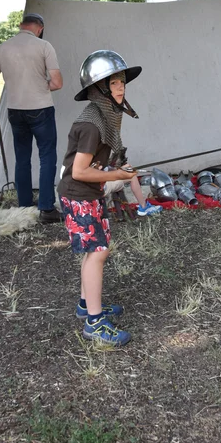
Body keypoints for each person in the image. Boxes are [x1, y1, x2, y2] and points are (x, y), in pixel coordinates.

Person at [58, 50, 141, 345]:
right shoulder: (92, 124)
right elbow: (79, 171)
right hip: (78, 193)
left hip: (88, 192)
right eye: (114, 82)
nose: (122, 87)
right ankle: (94, 322)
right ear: (99, 89)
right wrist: (116, 176)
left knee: (97, 250)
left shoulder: (105, 118)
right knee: (98, 252)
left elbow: (94, 164)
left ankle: (86, 305)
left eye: (122, 82)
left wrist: (116, 167)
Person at [0, 12, 63, 223]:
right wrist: (40, 86)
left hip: (15, 110)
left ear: (21, 26)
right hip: (41, 108)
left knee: (22, 158)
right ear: (40, 28)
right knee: (47, 156)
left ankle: (25, 206)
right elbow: (56, 83)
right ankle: (46, 208)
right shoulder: (44, 46)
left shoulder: (3, 47)